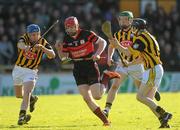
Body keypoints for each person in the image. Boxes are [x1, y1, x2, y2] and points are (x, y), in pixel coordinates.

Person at [55, 16, 120, 126]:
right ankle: (105, 121)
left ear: (77, 26)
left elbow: (103, 42)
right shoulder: (66, 39)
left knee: (97, 96)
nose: (69, 30)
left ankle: (106, 77)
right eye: (67, 28)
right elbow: (64, 59)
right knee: (87, 98)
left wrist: (97, 54)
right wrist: (58, 50)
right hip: (78, 69)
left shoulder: (86, 34)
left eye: (71, 27)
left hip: (90, 66)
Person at [110, 18, 172, 128]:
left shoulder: (141, 38)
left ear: (135, 27)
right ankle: (163, 121)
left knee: (140, 97)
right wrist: (128, 64)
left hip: (153, 69)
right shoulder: (148, 36)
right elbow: (140, 58)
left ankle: (165, 113)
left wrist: (117, 45)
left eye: (133, 27)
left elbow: (128, 52)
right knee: (149, 100)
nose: (131, 29)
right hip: (153, 69)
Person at [103, 11, 161, 117]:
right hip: (122, 65)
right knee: (115, 85)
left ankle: (153, 91)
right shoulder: (117, 34)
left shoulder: (137, 34)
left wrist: (129, 63)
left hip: (136, 64)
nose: (122, 22)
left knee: (142, 92)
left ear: (131, 20)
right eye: (120, 19)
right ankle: (107, 109)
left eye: (125, 19)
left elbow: (138, 52)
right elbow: (111, 46)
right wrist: (109, 57)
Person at [12, 24, 56, 125]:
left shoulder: (43, 42)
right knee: (19, 95)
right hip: (18, 69)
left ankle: (22, 116)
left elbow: (52, 55)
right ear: (28, 34)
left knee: (26, 92)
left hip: (31, 71)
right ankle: (32, 99)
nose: (35, 37)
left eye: (37, 34)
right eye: (32, 35)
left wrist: (42, 48)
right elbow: (20, 44)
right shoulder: (24, 38)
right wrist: (26, 47)